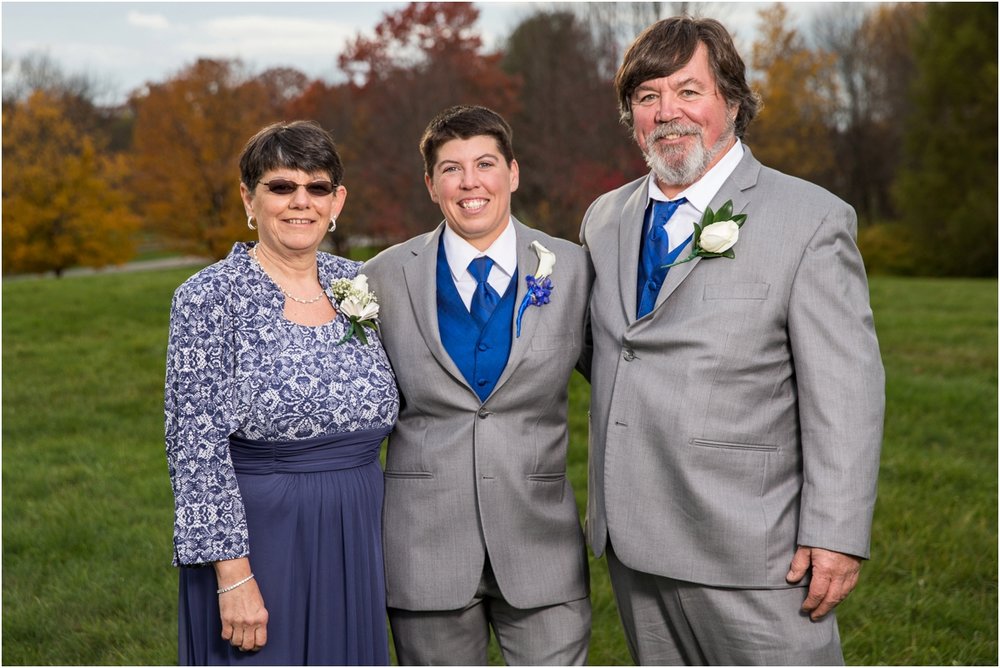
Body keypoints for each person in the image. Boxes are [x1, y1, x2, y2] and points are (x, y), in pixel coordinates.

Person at [580, 17, 885, 665]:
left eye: (689, 92)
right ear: (631, 114)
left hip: (755, 548)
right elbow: (602, 352)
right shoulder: (604, 219)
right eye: (648, 96)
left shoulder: (809, 220)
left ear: (733, 102)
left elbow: (846, 394)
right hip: (633, 541)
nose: (668, 113)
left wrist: (835, 532)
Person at [362, 105, 593, 665]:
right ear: (431, 184)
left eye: (485, 163)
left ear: (512, 173)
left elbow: (627, 384)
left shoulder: (573, 268)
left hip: (542, 542)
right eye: (451, 169)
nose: (470, 182)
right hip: (424, 548)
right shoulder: (382, 277)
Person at [164, 120, 399, 665]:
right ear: (249, 197)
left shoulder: (356, 283)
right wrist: (232, 576)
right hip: (263, 538)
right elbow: (194, 448)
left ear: (337, 200)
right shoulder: (209, 297)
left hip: (355, 528)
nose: (302, 202)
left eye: (317, 188)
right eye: (281, 186)